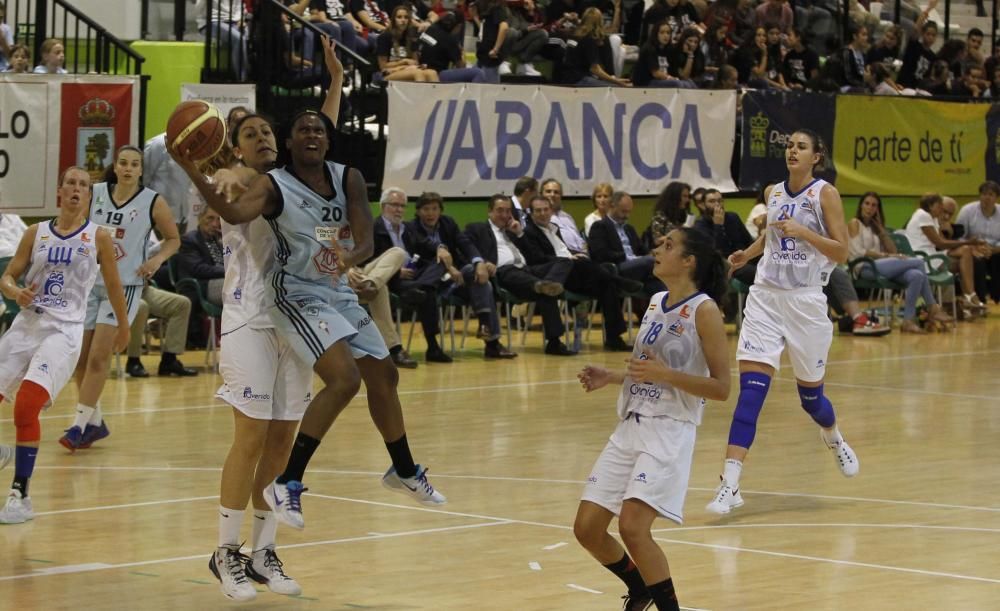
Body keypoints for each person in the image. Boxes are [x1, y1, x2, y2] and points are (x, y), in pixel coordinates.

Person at [175, 105, 446, 537]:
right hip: (264, 309)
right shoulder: (256, 181)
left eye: (268, 129)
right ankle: (230, 545)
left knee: (377, 380)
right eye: (252, 133)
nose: (264, 137)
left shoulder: (334, 173)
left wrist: (335, 80)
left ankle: (270, 548)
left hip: (327, 294)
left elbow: (315, 131)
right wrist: (199, 167)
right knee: (261, 430)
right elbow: (240, 186)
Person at [573, 227, 731, 611]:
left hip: (669, 430)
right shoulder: (657, 300)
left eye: (668, 245)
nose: (658, 249)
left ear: (689, 261)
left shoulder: (705, 310)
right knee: (587, 529)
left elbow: (723, 388)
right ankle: (641, 588)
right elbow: (648, 367)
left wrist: (667, 376)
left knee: (632, 528)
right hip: (630, 425)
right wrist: (611, 376)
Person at [706, 129, 860, 516]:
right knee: (751, 394)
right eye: (789, 145)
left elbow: (842, 252)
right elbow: (774, 234)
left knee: (812, 401)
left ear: (816, 157)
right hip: (765, 299)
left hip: (806, 302)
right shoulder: (773, 191)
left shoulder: (825, 194)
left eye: (801, 146)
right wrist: (749, 253)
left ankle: (834, 436)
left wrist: (805, 232)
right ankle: (730, 483)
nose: (793, 150)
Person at [0, 167, 129, 523]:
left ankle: (20, 495)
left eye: (83, 185)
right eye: (70, 183)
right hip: (27, 324)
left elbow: (115, 285)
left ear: (89, 196)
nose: (76, 189)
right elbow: (8, 276)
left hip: (64, 331)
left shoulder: (98, 237)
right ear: (59, 192)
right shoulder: (34, 233)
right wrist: (15, 292)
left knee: (26, 407)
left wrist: (123, 325)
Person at [60, 146, 181, 451]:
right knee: (81, 359)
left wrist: (155, 261)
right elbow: (75, 226)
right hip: (88, 284)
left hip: (124, 286)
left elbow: (173, 239)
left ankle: (77, 426)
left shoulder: (153, 201)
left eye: (134, 164)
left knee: (100, 357)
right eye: (123, 163)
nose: (128, 168)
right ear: (115, 165)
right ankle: (94, 422)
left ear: (141, 169)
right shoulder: (96, 192)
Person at [848, 191, 951, 333]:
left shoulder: (875, 227)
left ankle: (907, 321)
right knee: (918, 262)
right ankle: (932, 306)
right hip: (863, 266)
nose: (870, 208)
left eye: (874, 205)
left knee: (916, 275)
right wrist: (885, 255)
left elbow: (893, 249)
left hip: (882, 266)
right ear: (861, 206)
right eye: (867, 204)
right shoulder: (855, 223)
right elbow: (857, 251)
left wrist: (881, 230)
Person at [904, 192, 986, 318]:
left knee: (965, 251)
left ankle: (968, 297)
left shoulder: (932, 218)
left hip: (933, 255)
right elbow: (940, 243)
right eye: (940, 206)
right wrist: (970, 241)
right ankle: (966, 298)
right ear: (931, 206)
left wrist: (968, 245)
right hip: (924, 260)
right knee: (964, 257)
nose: (942, 210)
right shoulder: (922, 215)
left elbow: (943, 242)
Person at [956, 181, 1000, 305]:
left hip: (995, 250)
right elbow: (958, 237)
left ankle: (997, 295)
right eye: (984, 194)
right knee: (977, 261)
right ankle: (979, 300)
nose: (986, 197)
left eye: (990, 194)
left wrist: (993, 249)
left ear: (996, 198)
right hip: (973, 249)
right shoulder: (967, 210)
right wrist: (973, 247)